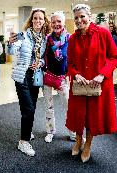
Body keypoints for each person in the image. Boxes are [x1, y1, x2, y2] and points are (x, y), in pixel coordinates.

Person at [65, 4, 117, 163]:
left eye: (82, 16)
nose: (79, 20)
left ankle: (88, 145)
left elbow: (114, 57)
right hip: (79, 86)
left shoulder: (103, 33)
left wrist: (102, 74)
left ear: (89, 16)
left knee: (92, 117)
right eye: (76, 18)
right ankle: (77, 140)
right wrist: (75, 74)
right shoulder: (73, 38)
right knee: (78, 115)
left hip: (97, 85)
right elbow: (70, 64)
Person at [8, 9, 51, 156]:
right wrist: (10, 43)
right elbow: (12, 52)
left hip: (35, 75)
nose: (38, 21)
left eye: (41, 18)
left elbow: (45, 58)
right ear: (31, 20)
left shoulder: (45, 38)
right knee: (29, 109)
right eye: (35, 18)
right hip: (22, 75)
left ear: (44, 21)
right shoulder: (23, 35)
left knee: (30, 106)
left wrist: (40, 63)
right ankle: (23, 142)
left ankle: (27, 130)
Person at [42, 11, 76, 143]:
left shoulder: (70, 38)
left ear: (64, 22)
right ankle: (50, 131)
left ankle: (73, 133)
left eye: (59, 21)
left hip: (63, 78)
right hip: (49, 77)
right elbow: (43, 56)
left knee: (68, 107)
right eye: (53, 22)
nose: (56, 24)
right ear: (51, 24)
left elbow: (74, 58)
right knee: (48, 106)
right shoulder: (47, 39)